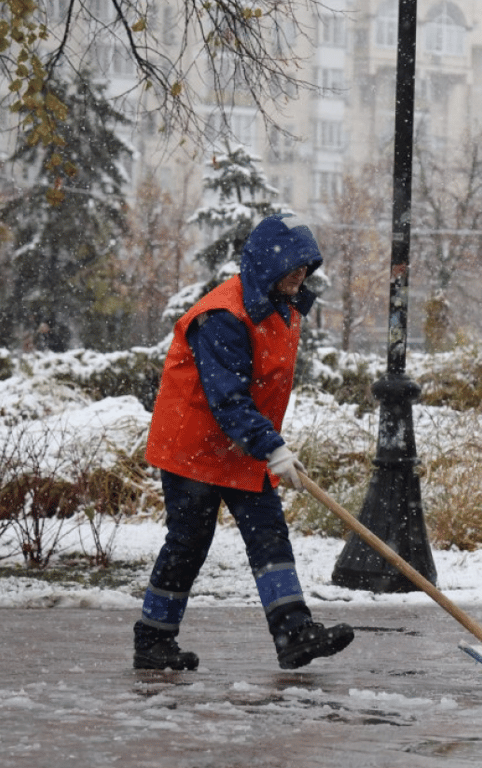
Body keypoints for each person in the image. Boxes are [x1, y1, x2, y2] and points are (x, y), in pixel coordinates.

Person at [133, 213, 354, 670]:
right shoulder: (222, 316)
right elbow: (228, 397)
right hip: (193, 445)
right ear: (267, 265)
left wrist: (267, 445)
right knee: (189, 541)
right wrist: (271, 447)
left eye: (304, 267)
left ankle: (294, 633)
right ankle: (153, 641)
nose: (300, 275)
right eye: (292, 266)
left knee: (268, 532)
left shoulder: (281, 305)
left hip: (240, 445)